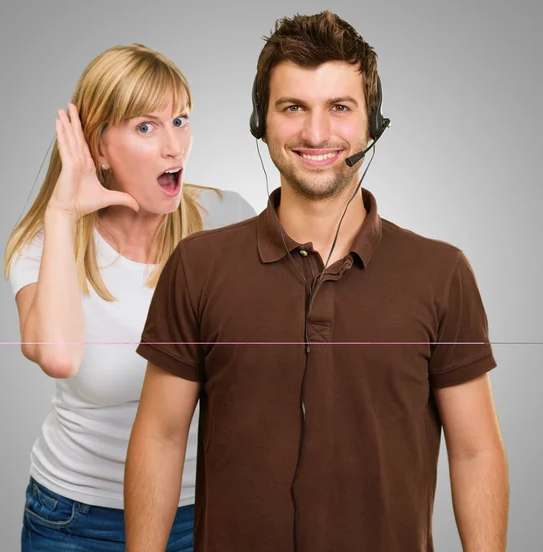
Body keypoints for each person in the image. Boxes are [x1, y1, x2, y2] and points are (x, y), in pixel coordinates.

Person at [125, 11, 510, 552]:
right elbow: (161, 437)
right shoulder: (197, 266)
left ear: (372, 123)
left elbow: (475, 451)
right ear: (261, 122)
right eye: (293, 107)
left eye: (340, 108)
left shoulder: (442, 273)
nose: (316, 132)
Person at [4, 43, 256, 552]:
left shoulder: (227, 220)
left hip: (203, 509)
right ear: (98, 149)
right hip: (74, 521)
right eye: (146, 127)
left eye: (180, 120)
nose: (174, 147)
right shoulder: (43, 244)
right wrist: (61, 215)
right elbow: (56, 355)